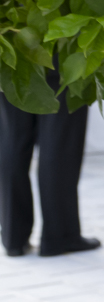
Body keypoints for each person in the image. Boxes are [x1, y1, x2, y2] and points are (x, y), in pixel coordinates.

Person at [0, 78, 97, 257]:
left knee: (12, 137)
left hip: (10, 53)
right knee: (60, 138)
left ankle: (13, 237)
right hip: (60, 53)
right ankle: (59, 236)